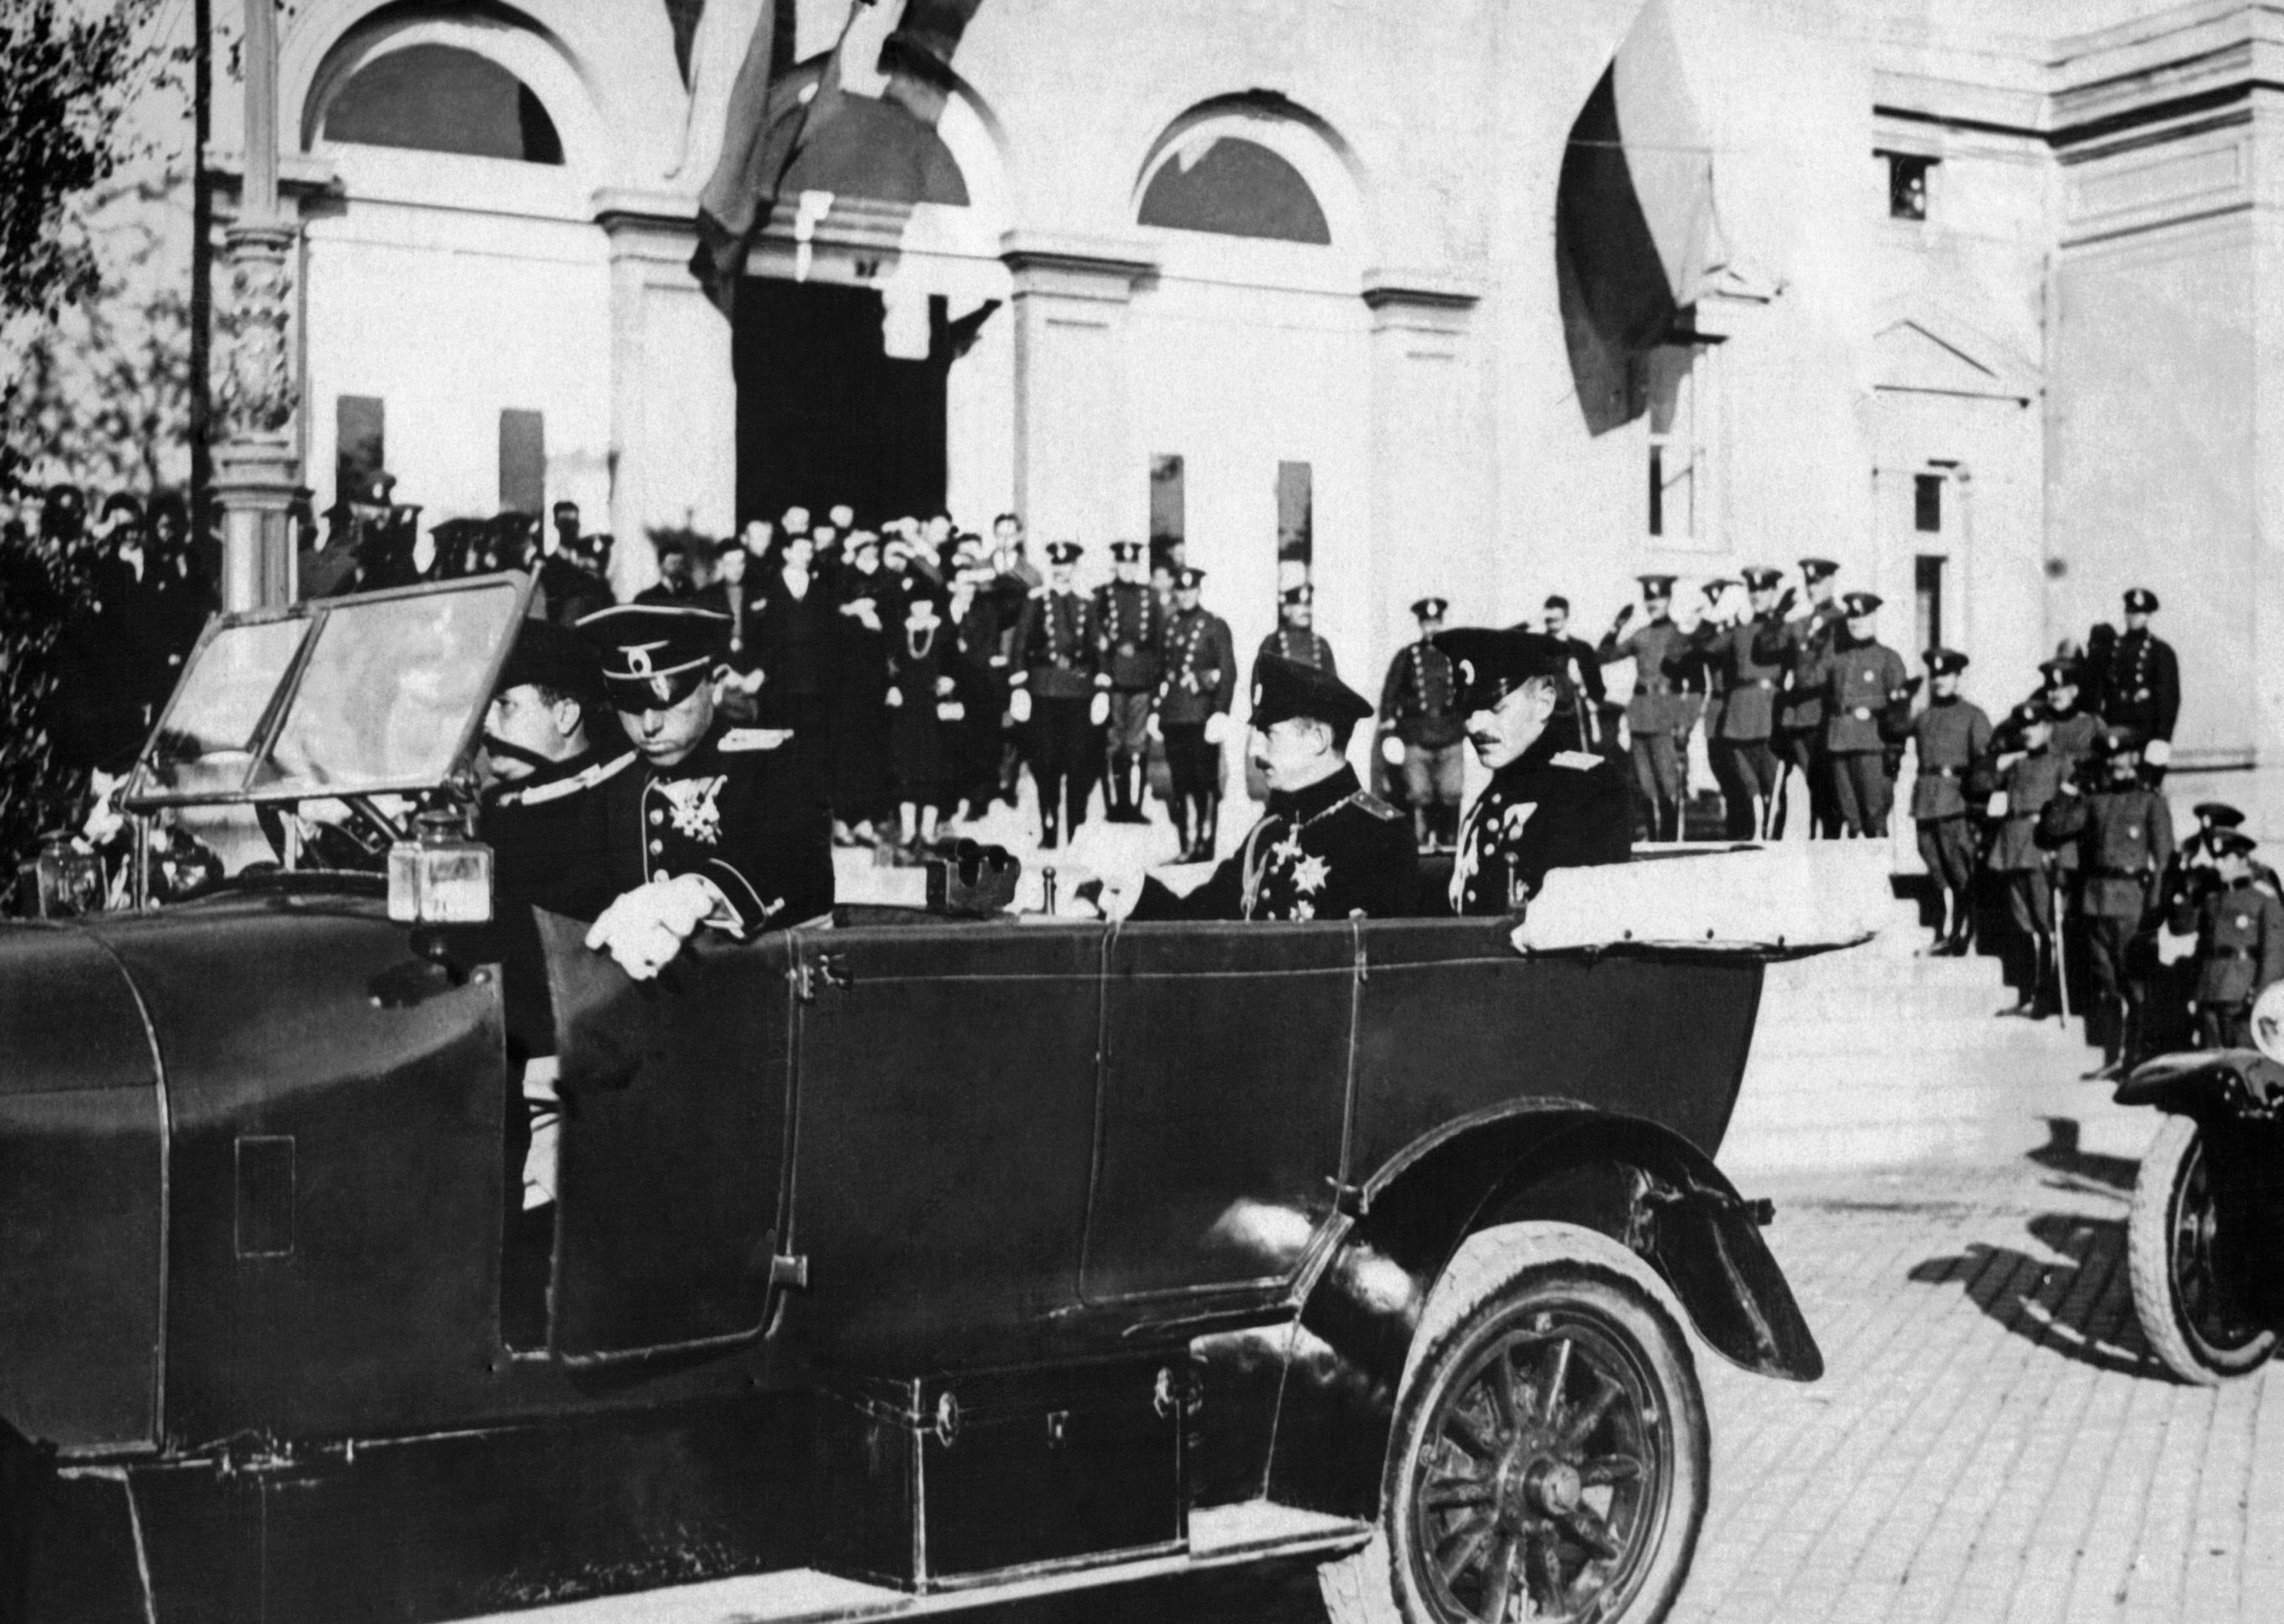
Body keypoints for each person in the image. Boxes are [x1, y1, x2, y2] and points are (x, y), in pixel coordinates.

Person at [571, 604, 835, 980]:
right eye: (631, 703)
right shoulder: (610, 783)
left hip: (767, 990)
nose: (649, 725)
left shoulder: (775, 764)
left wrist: (703, 890)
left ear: (716, 682)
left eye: (668, 700)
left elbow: (797, 866)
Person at [1123, 655, 1414, 921]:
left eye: (1268, 734)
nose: (1254, 751)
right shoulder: (1270, 828)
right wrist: (1132, 892)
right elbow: (1200, 918)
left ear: (1318, 740)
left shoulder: (1381, 834)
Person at [1438, 628, 1631, 914]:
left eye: (1496, 708)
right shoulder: (1489, 801)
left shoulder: (1590, 790)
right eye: (1467, 711)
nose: (1475, 726)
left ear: (1544, 704)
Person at [2040, 727, 2174, 1076]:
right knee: (2106, 985)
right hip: (2095, 902)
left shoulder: (2150, 802)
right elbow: (2053, 829)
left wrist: (2155, 912)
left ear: (2134, 757)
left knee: (2135, 985)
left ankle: (2135, 1062)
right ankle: (2113, 1059)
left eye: (2121, 755)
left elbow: (2164, 862)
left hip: (2133, 905)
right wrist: (2070, 787)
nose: (2115, 763)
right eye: (2109, 757)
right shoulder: (2094, 801)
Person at [1011, 541, 1104, 850]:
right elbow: (1020, 645)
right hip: (1044, 690)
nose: (1061, 570)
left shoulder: (1086, 603)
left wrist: (1102, 690)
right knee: (1045, 760)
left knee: (1078, 761)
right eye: (1057, 564)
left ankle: (1074, 827)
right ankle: (1049, 828)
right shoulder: (1036, 601)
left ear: (1075, 567)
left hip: (1078, 692)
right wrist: (1019, 688)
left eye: (1067, 565)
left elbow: (1098, 649)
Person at [1981, 703, 2069, 1018]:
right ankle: (2028, 993)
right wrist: (1999, 757)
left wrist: (2063, 858)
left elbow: (2069, 814)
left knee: (2045, 925)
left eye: (2034, 726)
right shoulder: (2016, 764)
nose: (2027, 733)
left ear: (2048, 728)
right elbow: (1982, 783)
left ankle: (2045, 997)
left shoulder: (2061, 764)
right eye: (2023, 728)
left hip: (2041, 849)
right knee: (2023, 924)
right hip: (2013, 847)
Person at [1598, 574, 1695, 842]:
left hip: (1665, 716)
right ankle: (1654, 842)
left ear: (1669, 599)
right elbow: (1603, 657)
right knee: (1645, 785)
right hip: (1639, 715)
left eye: (1659, 597)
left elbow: (1693, 684)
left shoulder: (1680, 636)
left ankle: (1671, 843)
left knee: (1668, 783)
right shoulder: (1641, 636)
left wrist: (1685, 723)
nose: (1654, 604)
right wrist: (1616, 626)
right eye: (1649, 598)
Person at [1807, 590, 1912, 839]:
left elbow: (1900, 712)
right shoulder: (1837, 658)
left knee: (1874, 818)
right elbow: (1808, 680)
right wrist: (1816, 642)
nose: (1856, 623)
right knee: (1850, 821)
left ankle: (1878, 862)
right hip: (1839, 744)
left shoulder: (1888, 659)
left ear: (1874, 618)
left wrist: (1895, 750)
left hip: (1872, 746)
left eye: (1862, 617)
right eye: (1852, 617)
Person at [1909, 648, 1992, 954]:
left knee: (1960, 872)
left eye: (1946, 675)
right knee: (1935, 868)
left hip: (1956, 805)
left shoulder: (1973, 716)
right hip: (1926, 804)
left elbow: (1984, 766)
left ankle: (1965, 933)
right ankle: (1945, 931)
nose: (1940, 681)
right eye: (1935, 676)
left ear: (1958, 678)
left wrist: (1978, 808)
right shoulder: (1924, 717)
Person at [1152, 565, 1236, 862]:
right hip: (1174, 716)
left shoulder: (1214, 625)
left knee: (1204, 781)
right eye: (1181, 590)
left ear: (1199, 591)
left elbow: (1228, 672)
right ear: (1176, 592)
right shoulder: (1169, 625)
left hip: (1202, 716)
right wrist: (1155, 710)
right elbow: (1160, 671)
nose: (1186, 595)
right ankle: (1187, 845)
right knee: (1180, 781)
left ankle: (1205, 845)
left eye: (1191, 590)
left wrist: (1220, 712)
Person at [2175, 831, 2284, 1049]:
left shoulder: (2264, 898)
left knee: (2242, 1059)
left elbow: (2274, 954)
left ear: (2243, 859)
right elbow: (2181, 927)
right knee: (2210, 1062)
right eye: (2217, 859)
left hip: (2241, 996)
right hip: (2209, 992)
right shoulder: (2212, 898)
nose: (2219, 865)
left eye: (2226, 858)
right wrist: (2187, 885)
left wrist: (2260, 997)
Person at [1377, 596, 1466, 853]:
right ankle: (1420, 846)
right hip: (1416, 736)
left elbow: (1467, 691)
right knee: (1418, 794)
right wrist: (1389, 730)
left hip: (1450, 734)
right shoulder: (1408, 656)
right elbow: (1390, 694)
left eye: (1436, 622)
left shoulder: (1455, 655)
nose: (1432, 628)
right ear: (1420, 625)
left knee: (1452, 792)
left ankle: (1450, 845)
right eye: (1427, 623)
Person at [1765, 557, 1846, 837]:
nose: (1813, 588)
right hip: (1799, 720)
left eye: (1819, 582)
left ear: (1831, 582)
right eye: (1809, 583)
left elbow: (1831, 667)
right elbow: (1768, 647)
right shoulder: (1800, 624)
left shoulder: (1843, 622)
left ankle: (1831, 846)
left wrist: (1802, 683)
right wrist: (1778, 614)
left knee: (1828, 793)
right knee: (1810, 789)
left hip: (1825, 717)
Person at [885, 590, 959, 853]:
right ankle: (908, 831)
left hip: (933, 709)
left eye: (926, 602)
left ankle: (928, 831)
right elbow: (889, 664)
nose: (921, 607)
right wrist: (892, 687)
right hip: (905, 709)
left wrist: (949, 681)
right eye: (917, 603)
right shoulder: (900, 631)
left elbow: (954, 664)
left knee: (932, 769)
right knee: (906, 769)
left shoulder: (944, 631)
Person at [1095, 538, 1163, 823]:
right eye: (1123, 564)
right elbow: (1096, 640)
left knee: (1138, 745)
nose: (1128, 569)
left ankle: (1134, 807)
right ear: (1116, 565)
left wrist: (1157, 680)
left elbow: (1158, 641)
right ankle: (1115, 807)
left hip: (1142, 680)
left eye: (1133, 564)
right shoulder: (1102, 595)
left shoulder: (1150, 596)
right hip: (1113, 679)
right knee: (1113, 744)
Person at [2094, 587, 2180, 786]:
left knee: (2143, 791)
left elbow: (2169, 702)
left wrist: (2161, 741)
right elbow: (2100, 692)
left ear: (2148, 615)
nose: (2133, 617)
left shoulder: (2161, 652)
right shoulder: (2112, 650)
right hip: (2114, 733)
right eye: (2130, 611)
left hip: (2145, 736)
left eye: (2139, 612)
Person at [1539, 596, 1609, 748]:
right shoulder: (1536, 649)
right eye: (1549, 619)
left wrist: (1581, 682)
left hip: (1576, 720)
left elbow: (1597, 690)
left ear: (1566, 617)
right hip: (1545, 722)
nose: (1552, 622)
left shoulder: (1582, 650)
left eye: (1557, 619)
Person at [1258, 582, 1337, 673]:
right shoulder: (1273, 643)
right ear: (1286, 610)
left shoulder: (1322, 645)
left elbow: (1332, 680)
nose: (1306, 611)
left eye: (1308, 605)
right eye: (1300, 605)